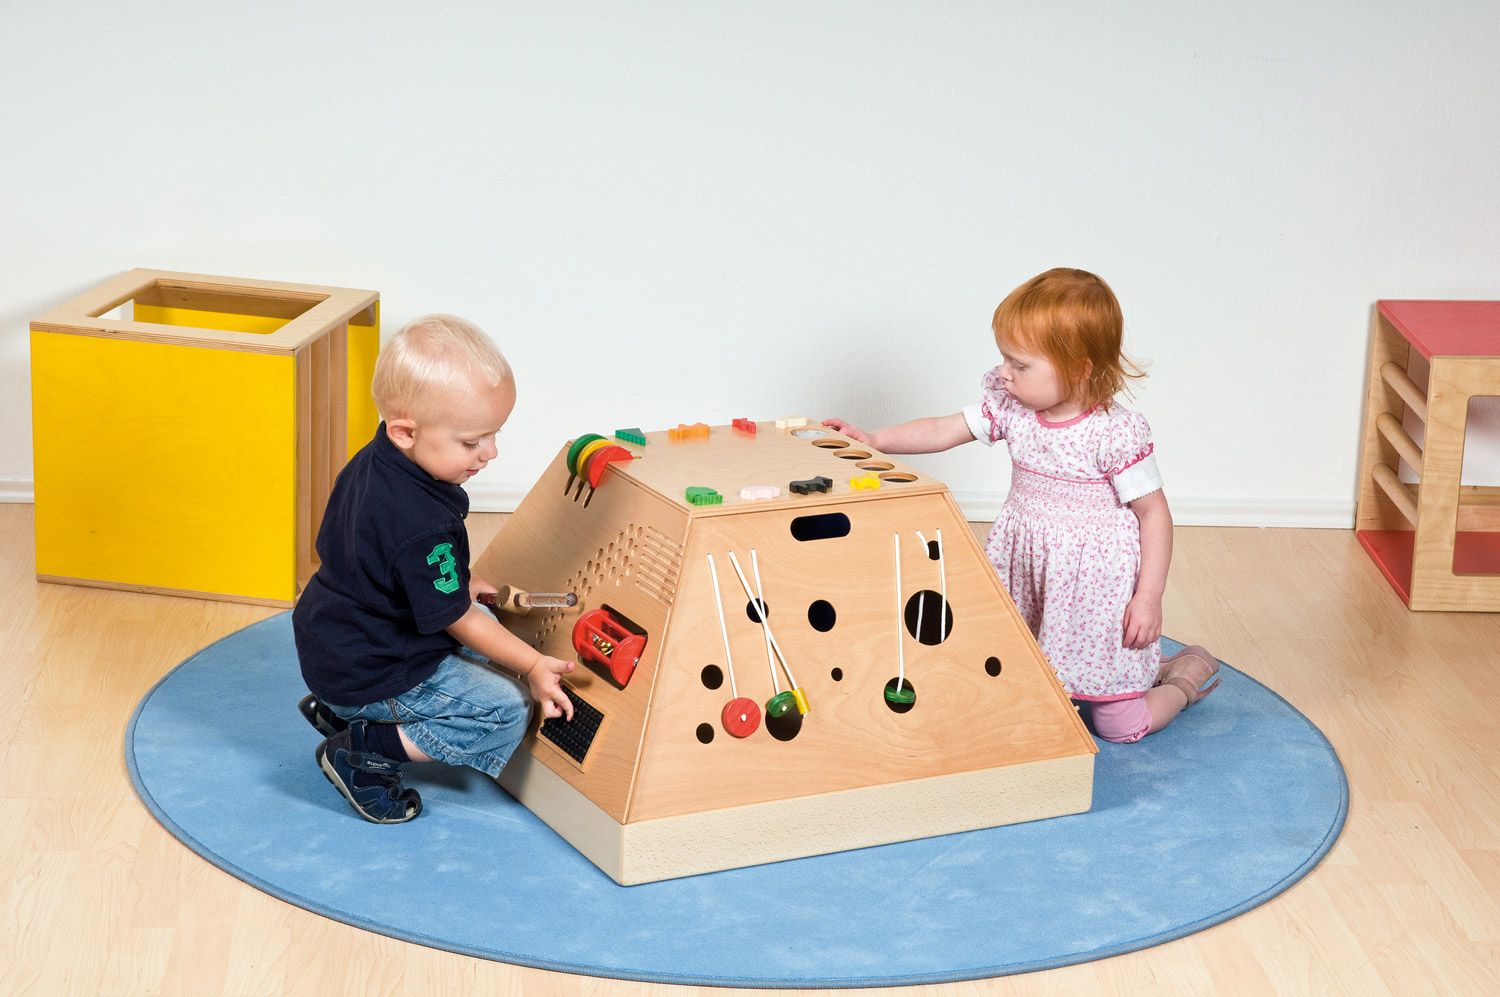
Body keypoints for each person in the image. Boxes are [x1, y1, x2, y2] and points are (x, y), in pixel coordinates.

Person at [824, 268, 1218, 743]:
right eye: (1004, 359)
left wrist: (1148, 598)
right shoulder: (1012, 407)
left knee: (1118, 725)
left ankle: (1182, 680)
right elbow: (943, 429)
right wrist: (874, 439)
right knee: (1012, 689)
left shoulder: (1113, 432)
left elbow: (1154, 515)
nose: (1005, 373)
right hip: (1027, 567)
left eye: (1020, 364)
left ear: (1079, 369)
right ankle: (1128, 672)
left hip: (1093, 590)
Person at [293, 314, 575, 823]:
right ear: (406, 431)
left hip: (335, 642)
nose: (491, 453)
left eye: (494, 435)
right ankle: (363, 750)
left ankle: (340, 711)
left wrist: (457, 581)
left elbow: (382, 561)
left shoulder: (377, 459)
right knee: (506, 707)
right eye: (472, 442)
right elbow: (458, 619)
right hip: (372, 670)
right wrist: (533, 665)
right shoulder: (419, 522)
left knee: (487, 630)